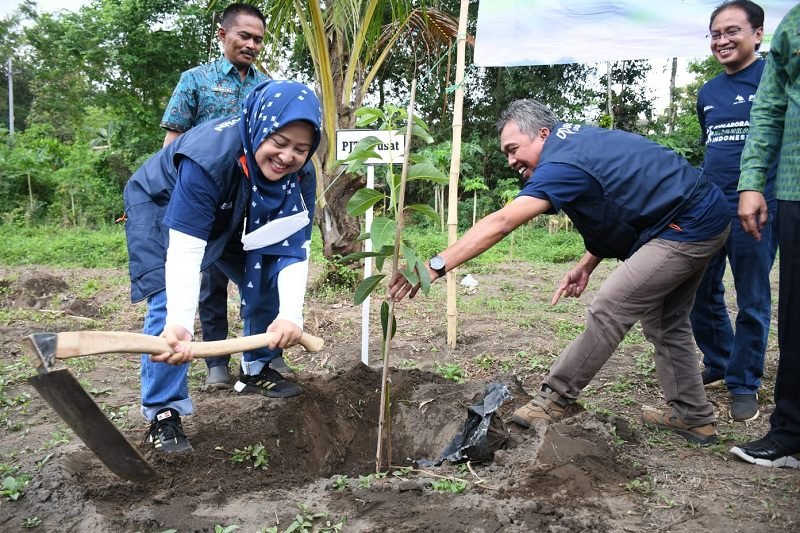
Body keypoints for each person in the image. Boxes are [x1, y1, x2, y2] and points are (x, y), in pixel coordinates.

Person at [390, 99, 731, 445]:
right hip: (697, 214)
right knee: (664, 321)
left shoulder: (562, 162)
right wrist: (587, 263)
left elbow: (504, 221)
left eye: (513, 149)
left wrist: (434, 266)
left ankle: (556, 397)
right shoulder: (576, 144)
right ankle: (693, 417)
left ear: (542, 134)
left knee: (610, 308)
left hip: (685, 226)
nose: (511, 161)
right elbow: (617, 198)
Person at [124, 80, 322, 452]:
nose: (287, 156)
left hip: (234, 205)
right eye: (279, 142)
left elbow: (294, 245)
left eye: (300, 148)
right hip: (163, 205)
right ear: (261, 126)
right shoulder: (208, 157)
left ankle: (256, 368)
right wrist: (181, 324)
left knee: (266, 272)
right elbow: (185, 250)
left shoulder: (300, 175)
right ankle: (163, 412)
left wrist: (291, 315)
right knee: (168, 302)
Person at [161, 3, 289, 389]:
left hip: (254, 203)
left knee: (259, 278)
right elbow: (172, 143)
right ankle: (216, 360)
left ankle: (263, 358)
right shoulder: (195, 81)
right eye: (244, 36)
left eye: (258, 40)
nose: (251, 45)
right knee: (210, 282)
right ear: (223, 34)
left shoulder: (266, 87)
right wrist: (175, 197)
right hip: (207, 200)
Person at [690, 0, 777, 422]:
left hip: (759, 208)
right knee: (699, 289)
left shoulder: (776, 81)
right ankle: (721, 360)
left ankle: (745, 382)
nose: (721, 40)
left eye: (731, 31)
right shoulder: (707, 92)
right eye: (715, 34)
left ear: (757, 34)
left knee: (752, 296)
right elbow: (712, 146)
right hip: (710, 207)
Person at [730, 3, 800, 469]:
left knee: (755, 298)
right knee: (796, 316)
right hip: (793, 187)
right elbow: (772, 108)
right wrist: (752, 180)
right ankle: (791, 430)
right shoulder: (794, 22)